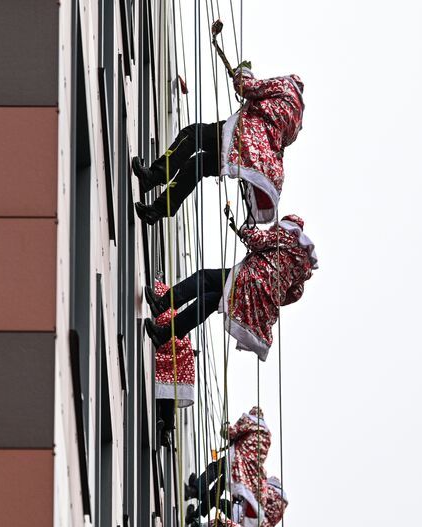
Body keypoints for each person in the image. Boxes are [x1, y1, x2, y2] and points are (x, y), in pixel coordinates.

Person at [133, 67, 304, 225]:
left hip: (244, 135)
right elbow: (283, 143)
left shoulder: (285, 86)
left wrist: (242, 72)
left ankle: (155, 175)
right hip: (252, 160)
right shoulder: (297, 122)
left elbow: (246, 86)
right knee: (198, 165)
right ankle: (157, 210)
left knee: (193, 135)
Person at [144, 216, 317, 362]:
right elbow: (295, 294)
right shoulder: (304, 267)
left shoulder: (286, 237)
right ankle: (163, 335)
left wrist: (248, 228)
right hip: (261, 301)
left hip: (249, 278)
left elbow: (257, 240)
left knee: (205, 278)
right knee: (208, 301)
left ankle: (163, 303)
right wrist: (270, 293)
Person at [148, 280, 196, 447]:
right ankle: (167, 428)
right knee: (170, 391)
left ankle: (161, 421)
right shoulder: (174, 312)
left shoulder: (163, 306)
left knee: (163, 386)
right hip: (181, 351)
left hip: (171, 346)